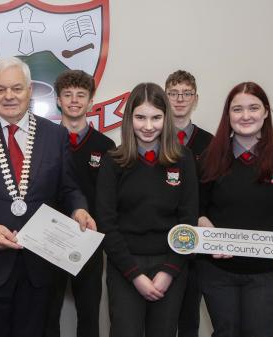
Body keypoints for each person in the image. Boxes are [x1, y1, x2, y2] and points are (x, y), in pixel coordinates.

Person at [0, 57, 96, 337]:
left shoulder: (55, 135)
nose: (9, 96)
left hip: (39, 267)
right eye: (0, 89)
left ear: (29, 91)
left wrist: (79, 210)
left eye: (16, 88)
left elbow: (69, 189)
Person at [198, 82, 273, 337]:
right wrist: (211, 238)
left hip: (271, 274)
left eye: (253, 108)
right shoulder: (209, 158)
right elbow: (195, 209)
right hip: (219, 274)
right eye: (237, 109)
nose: (245, 116)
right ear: (228, 114)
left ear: (266, 112)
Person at [96, 83, 198, 337]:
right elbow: (106, 224)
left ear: (167, 119)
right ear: (129, 119)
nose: (148, 126)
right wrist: (135, 275)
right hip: (125, 268)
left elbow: (188, 222)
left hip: (171, 266)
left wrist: (169, 271)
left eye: (156, 117)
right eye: (140, 117)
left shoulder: (183, 159)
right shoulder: (113, 161)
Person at [43, 70, 114, 337]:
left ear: (90, 102)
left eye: (81, 95)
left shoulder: (106, 146)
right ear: (58, 101)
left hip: (89, 240)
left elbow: (108, 199)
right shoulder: (44, 142)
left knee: (89, 314)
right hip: (50, 239)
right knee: (48, 313)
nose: (74, 101)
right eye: (68, 95)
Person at [164, 70, 213, 337]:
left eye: (186, 93)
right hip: (161, 241)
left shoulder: (211, 143)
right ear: (165, 97)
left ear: (195, 98)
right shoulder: (153, 138)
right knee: (161, 318)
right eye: (173, 93)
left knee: (189, 316)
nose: (180, 99)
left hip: (197, 244)